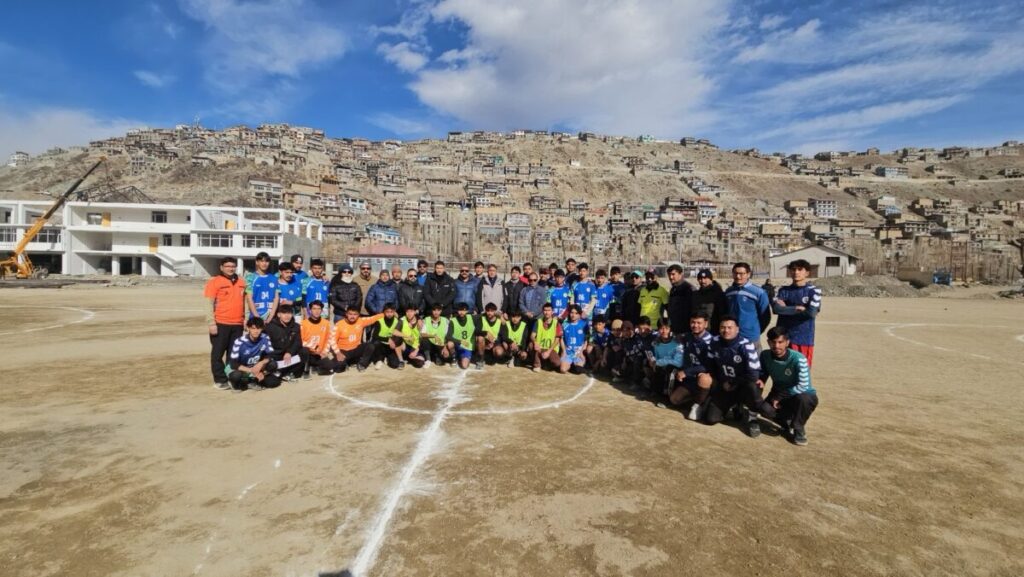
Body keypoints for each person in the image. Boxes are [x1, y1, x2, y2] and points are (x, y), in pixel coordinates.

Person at [705, 315, 776, 438]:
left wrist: (733, 382)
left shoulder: (746, 345)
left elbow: (753, 374)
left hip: (744, 386)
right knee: (711, 419)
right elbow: (710, 365)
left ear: (737, 329)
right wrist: (721, 382)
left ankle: (753, 418)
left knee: (765, 407)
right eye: (722, 327)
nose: (726, 330)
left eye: (729, 327)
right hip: (725, 387)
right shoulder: (714, 341)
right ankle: (734, 405)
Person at [760, 326, 817, 446]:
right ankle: (787, 422)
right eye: (773, 342)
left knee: (806, 398)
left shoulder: (799, 359)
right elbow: (763, 374)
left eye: (780, 342)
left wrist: (780, 396)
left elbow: (804, 385)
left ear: (787, 342)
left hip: (798, 394)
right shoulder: (765, 356)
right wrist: (760, 381)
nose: (776, 346)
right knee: (764, 410)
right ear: (768, 342)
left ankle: (798, 428)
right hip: (778, 393)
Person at [204, 257, 247, 389]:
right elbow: (208, 304)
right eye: (228, 266)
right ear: (221, 267)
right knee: (217, 354)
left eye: (233, 266)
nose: (231, 268)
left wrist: (244, 319)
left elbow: (243, 302)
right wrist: (211, 323)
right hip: (221, 323)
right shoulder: (214, 282)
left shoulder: (241, 281)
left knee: (233, 353)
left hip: (237, 324)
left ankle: (231, 377)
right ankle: (220, 380)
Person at [772, 259, 822, 366]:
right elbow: (776, 309)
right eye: (793, 269)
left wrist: (786, 309)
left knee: (802, 374)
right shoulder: (782, 290)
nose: (796, 272)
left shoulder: (814, 291)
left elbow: (811, 313)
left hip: (803, 338)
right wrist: (797, 308)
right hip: (783, 339)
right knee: (782, 371)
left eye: (800, 269)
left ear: (807, 273)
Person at [670, 311, 714, 421]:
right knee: (674, 400)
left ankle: (698, 405)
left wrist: (686, 372)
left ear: (706, 324)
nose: (695, 325)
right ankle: (700, 399)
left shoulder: (711, 342)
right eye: (693, 322)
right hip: (690, 380)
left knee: (704, 379)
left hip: (705, 377)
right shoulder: (688, 336)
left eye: (699, 323)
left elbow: (709, 366)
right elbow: (676, 339)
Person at [724, 262, 771, 349]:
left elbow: (765, 316)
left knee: (753, 361)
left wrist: (756, 331)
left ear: (748, 274)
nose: (738, 276)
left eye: (741, 274)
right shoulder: (729, 292)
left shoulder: (759, 292)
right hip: (732, 335)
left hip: (750, 337)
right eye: (735, 273)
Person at [227, 317, 281, 391]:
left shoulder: (265, 337)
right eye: (253, 328)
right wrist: (251, 370)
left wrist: (261, 363)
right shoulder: (239, 342)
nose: (256, 331)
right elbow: (233, 364)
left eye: (258, 328)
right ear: (248, 328)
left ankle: (253, 381)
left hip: (256, 367)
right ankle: (237, 382)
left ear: (262, 329)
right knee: (236, 376)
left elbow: (271, 355)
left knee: (274, 378)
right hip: (241, 369)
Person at [329, 306, 384, 372]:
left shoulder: (361, 321)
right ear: (346, 314)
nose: (352, 316)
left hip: (356, 349)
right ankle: (348, 362)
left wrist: (385, 313)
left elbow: (373, 318)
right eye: (350, 314)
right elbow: (332, 340)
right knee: (338, 367)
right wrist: (338, 353)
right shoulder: (339, 325)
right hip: (344, 351)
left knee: (370, 346)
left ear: (358, 315)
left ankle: (362, 364)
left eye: (355, 314)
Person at [265, 304, 305, 380]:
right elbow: (266, 346)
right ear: (278, 315)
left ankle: (289, 372)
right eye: (284, 313)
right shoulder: (270, 327)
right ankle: (280, 372)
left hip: (289, 356)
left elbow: (297, 342)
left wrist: (289, 352)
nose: (287, 316)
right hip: (276, 357)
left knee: (304, 351)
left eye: (289, 313)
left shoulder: (296, 326)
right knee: (272, 381)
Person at [649, 318, 684, 400]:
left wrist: (658, 362)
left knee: (670, 369)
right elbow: (655, 357)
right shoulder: (656, 343)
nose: (664, 331)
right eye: (661, 328)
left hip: (675, 369)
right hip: (662, 367)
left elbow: (678, 363)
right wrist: (653, 360)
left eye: (667, 328)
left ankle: (668, 397)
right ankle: (657, 392)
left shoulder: (677, 343)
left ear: (670, 329)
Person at [364, 303, 406, 370]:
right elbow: (375, 336)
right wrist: (388, 339)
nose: (389, 314)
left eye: (391, 312)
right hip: (381, 345)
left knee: (394, 365)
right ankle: (380, 359)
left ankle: (387, 358)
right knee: (376, 343)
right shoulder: (379, 321)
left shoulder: (397, 321)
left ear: (394, 312)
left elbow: (400, 334)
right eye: (387, 312)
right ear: (384, 312)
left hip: (391, 346)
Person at [300, 300, 336, 376]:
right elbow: (301, 341)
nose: (317, 311)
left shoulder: (326, 323)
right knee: (304, 350)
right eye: (314, 309)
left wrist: (325, 352)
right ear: (310, 310)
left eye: (319, 309)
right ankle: (306, 369)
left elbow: (328, 339)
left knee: (330, 368)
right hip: (308, 354)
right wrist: (314, 348)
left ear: (322, 310)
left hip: (320, 354)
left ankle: (316, 367)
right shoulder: (303, 324)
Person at [691, 268, 728, 335]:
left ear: (711, 279)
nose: (703, 281)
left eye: (705, 278)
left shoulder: (718, 294)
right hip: (698, 330)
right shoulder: (695, 295)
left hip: (713, 331)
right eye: (700, 279)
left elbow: (722, 314)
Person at [622, 316, 655, 389]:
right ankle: (636, 382)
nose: (643, 331)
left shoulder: (655, 336)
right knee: (638, 359)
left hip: (656, 359)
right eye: (640, 328)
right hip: (644, 358)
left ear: (650, 327)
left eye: (645, 328)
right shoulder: (638, 336)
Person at [245, 251, 278, 321]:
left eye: (266, 261)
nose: (264, 263)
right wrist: (257, 317)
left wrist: (271, 316)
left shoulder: (274, 278)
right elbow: (249, 298)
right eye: (262, 261)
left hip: (271, 317)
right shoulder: (250, 277)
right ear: (257, 262)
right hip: (255, 317)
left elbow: (276, 298)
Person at [474, 303, 508, 369]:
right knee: (480, 338)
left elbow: (502, 334)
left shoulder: (500, 320)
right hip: (485, 341)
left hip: (495, 341)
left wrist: (494, 342)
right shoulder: (482, 318)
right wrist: (486, 333)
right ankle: (481, 359)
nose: (489, 313)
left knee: (499, 352)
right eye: (488, 311)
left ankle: (491, 356)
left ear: (495, 311)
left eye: (492, 311)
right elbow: (476, 331)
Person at [531, 303, 563, 372]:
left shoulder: (556, 323)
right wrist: (535, 342)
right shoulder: (538, 322)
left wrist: (548, 351)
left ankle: (545, 363)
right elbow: (532, 336)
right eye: (545, 310)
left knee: (557, 363)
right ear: (543, 311)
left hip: (551, 349)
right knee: (531, 345)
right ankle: (537, 364)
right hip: (540, 348)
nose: (546, 312)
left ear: (552, 312)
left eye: (548, 310)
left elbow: (557, 340)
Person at [560, 304, 589, 374]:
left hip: (578, 353)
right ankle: (570, 364)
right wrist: (563, 351)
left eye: (576, 313)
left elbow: (586, 340)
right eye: (572, 313)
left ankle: (575, 365)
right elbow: (561, 339)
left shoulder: (584, 324)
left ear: (579, 314)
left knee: (578, 371)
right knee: (562, 370)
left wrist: (581, 352)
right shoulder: (565, 324)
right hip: (568, 353)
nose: (573, 315)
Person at [666, 264, 693, 336]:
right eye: (669, 275)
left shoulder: (688, 288)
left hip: (685, 329)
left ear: (681, 274)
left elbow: (691, 309)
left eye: (673, 274)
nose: (670, 277)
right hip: (675, 327)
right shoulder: (673, 289)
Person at [449, 302, 477, 369]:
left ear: (467, 311)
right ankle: (454, 358)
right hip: (456, 345)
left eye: (464, 310)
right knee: (450, 343)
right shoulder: (453, 320)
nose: (461, 312)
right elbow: (448, 336)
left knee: (464, 366)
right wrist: (459, 341)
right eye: (460, 310)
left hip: (467, 347)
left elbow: (484, 315)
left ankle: (465, 357)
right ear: (457, 311)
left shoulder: (472, 318)